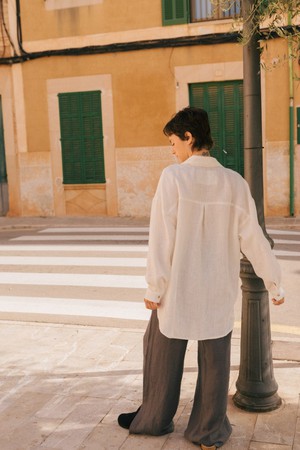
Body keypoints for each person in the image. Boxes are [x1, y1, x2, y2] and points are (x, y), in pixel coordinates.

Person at [117, 106, 285, 450]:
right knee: (215, 363)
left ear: (189, 137)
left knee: (160, 355)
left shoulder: (174, 178)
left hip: (176, 290)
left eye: (173, 142)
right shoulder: (235, 183)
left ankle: (153, 420)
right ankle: (207, 433)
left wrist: (154, 287)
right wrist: (274, 282)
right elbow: (253, 238)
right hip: (216, 292)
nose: (172, 150)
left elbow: (161, 237)